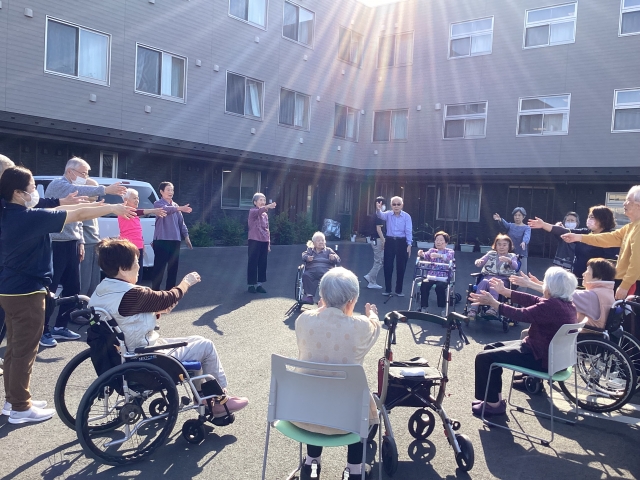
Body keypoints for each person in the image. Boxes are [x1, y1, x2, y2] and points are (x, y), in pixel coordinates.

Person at [0, 166, 135, 424]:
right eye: (31, 188)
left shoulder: (10, 214)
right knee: (24, 351)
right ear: (17, 193)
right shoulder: (27, 218)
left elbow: (71, 209)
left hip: (11, 290)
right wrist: (112, 208)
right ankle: (20, 407)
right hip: (27, 293)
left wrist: (99, 206)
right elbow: (78, 214)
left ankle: (13, 400)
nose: (35, 193)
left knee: (15, 349)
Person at [89, 238, 248, 416]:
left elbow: (126, 315)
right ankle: (218, 400)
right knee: (205, 346)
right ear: (122, 268)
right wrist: (186, 282)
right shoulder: (133, 294)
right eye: (136, 262)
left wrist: (154, 311)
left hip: (121, 355)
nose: (139, 266)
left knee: (196, 341)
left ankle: (204, 397)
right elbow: (168, 298)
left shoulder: (100, 291)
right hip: (145, 357)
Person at [0, 155, 87, 369]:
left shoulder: (10, 205)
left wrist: (60, 202)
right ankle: (17, 394)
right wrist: (108, 199)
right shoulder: (13, 210)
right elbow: (39, 213)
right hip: (20, 282)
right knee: (22, 349)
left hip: (12, 278)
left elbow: (39, 206)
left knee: (13, 337)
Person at [294, 267, 380, 480]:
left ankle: (311, 464)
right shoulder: (361, 327)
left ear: (321, 296)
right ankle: (354, 470)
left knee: (317, 391)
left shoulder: (303, 320)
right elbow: (375, 326)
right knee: (357, 403)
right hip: (347, 420)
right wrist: (372, 314)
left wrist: (320, 311)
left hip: (304, 414)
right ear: (351, 301)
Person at [41, 157, 127, 348]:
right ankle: (43, 330)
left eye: (87, 174)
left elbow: (79, 218)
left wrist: (80, 241)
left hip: (72, 242)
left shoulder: (72, 187)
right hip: (55, 243)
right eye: (83, 173)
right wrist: (105, 190)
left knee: (73, 288)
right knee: (51, 289)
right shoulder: (59, 184)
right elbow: (80, 191)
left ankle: (60, 326)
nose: (86, 177)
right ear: (70, 171)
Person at [469, 267, 578, 416]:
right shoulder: (567, 304)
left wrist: (495, 303)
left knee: (484, 358)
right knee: (490, 348)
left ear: (550, 287)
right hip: (550, 357)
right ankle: (494, 399)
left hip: (539, 358)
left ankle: (493, 405)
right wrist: (506, 292)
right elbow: (534, 300)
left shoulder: (551, 306)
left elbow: (521, 314)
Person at [562, 186, 640, 300]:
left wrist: (625, 285)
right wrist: (579, 237)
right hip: (627, 281)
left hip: (633, 283)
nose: (624, 203)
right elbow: (609, 238)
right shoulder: (631, 226)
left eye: (628, 200)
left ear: (638, 205)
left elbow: (637, 260)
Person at [511, 258, 616, 331]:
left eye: (587, 271)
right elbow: (566, 291)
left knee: (530, 331)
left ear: (598, 277)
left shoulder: (592, 295)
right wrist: (541, 284)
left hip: (584, 333)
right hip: (595, 332)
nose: (583, 274)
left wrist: (529, 284)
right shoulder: (605, 292)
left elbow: (560, 294)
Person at [529, 205, 619, 281]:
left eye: (592, 217)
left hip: (595, 282)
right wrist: (544, 225)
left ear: (602, 219)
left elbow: (610, 266)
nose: (589, 219)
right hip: (578, 278)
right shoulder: (586, 232)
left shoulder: (610, 237)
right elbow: (565, 231)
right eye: (589, 217)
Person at [118, 188, 166, 284]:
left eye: (138, 198)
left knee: (138, 273)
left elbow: (138, 230)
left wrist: (142, 243)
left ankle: (136, 291)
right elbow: (138, 212)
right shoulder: (123, 210)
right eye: (134, 198)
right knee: (129, 272)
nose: (137, 200)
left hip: (138, 246)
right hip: (128, 247)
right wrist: (153, 210)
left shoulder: (135, 214)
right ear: (126, 200)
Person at [151, 182, 192, 291]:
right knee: (159, 268)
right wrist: (179, 208)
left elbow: (181, 223)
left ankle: (170, 293)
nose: (171, 192)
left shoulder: (176, 206)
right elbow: (166, 210)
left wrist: (186, 236)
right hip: (161, 240)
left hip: (175, 240)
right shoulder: (158, 204)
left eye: (172, 190)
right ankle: (155, 293)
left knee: (173, 269)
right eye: (168, 190)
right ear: (161, 192)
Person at [467, 234, 519, 320]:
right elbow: (481, 261)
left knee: (494, 282)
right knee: (484, 282)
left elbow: (515, 267)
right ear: (495, 245)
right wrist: (478, 262)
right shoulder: (490, 254)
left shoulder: (512, 256)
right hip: (488, 277)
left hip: (503, 280)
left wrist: (509, 261)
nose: (501, 247)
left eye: (504, 245)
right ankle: (473, 309)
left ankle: (493, 308)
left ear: (509, 246)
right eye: (499, 244)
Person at [376, 196, 413, 297]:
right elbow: (380, 215)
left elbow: (408, 231)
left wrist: (409, 244)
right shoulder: (388, 214)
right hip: (390, 241)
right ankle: (388, 289)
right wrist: (378, 209)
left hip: (402, 242)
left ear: (402, 205)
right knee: (387, 266)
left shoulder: (406, 216)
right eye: (394, 204)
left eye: (398, 204)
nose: (396, 206)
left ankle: (398, 290)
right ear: (391, 205)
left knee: (401, 267)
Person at [416, 231, 455, 315]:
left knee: (440, 287)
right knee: (424, 284)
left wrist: (439, 256)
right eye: (437, 240)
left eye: (441, 240)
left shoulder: (450, 251)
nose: (438, 242)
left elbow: (449, 258)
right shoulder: (432, 250)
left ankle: (443, 308)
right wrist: (421, 253)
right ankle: (423, 307)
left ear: (446, 242)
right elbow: (425, 255)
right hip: (431, 276)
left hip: (444, 276)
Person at [247, 193, 276, 293]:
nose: (263, 202)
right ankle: (251, 285)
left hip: (264, 241)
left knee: (262, 263)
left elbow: (267, 230)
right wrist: (268, 206)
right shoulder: (253, 211)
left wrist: (268, 244)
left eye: (264, 200)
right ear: (255, 202)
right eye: (260, 200)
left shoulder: (265, 215)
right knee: (253, 263)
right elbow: (259, 211)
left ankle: (260, 285)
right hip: (254, 240)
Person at [301, 232, 340, 304]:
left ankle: (324, 299)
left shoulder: (328, 250)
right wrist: (307, 258)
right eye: (318, 240)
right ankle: (309, 297)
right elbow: (303, 255)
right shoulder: (310, 250)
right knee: (306, 275)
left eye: (322, 240)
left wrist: (333, 257)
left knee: (329, 278)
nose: (321, 242)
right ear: (313, 243)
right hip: (312, 270)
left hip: (325, 270)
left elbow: (337, 259)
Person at [79, 178, 102, 299]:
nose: (97, 192)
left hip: (95, 245)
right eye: (94, 189)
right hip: (86, 246)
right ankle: (79, 306)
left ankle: (90, 306)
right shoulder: (80, 206)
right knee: (84, 281)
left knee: (94, 282)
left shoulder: (93, 206)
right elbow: (78, 227)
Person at [493, 207, 531, 273]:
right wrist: (500, 219)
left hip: (521, 254)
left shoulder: (527, 227)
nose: (517, 217)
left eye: (519, 215)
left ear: (523, 217)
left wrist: (524, 242)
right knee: (508, 272)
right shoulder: (511, 226)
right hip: (510, 253)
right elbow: (505, 224)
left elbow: (527, 236)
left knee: (521, 273)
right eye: (515, 215)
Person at [363, 196, 385, 289]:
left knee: (381, 261)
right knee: (378, 261)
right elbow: (378, 229)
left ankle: (370, 276)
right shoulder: (379, 216)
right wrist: (383, 240)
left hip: (374, 239)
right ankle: (371, 281)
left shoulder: (374, 215)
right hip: (378, 240)